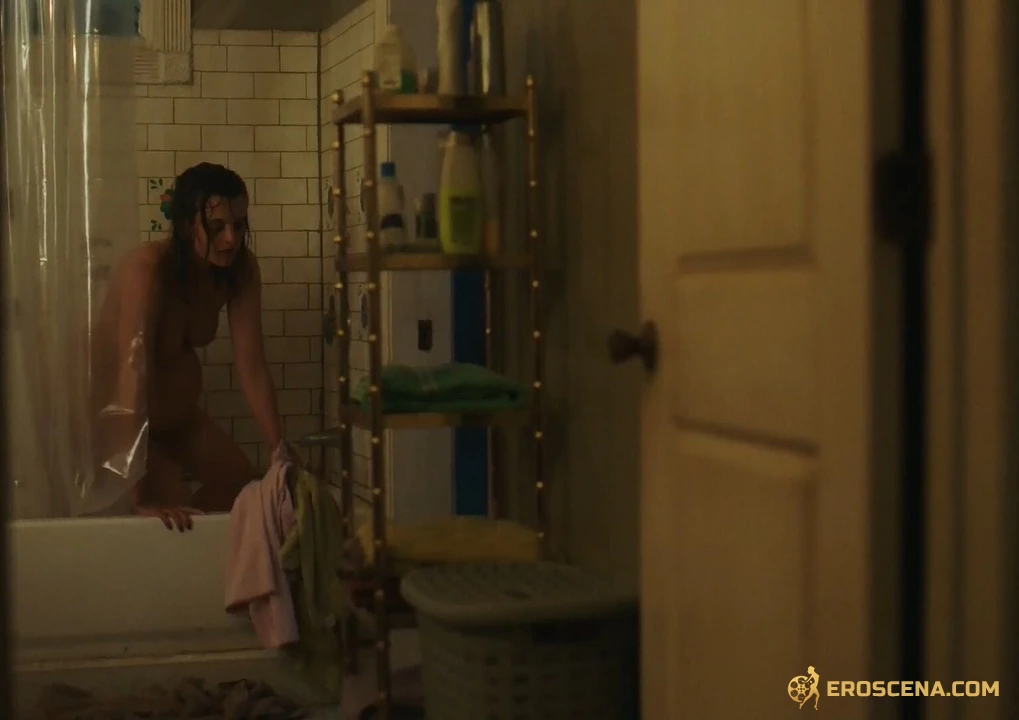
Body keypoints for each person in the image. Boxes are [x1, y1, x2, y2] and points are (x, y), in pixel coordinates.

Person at [90, 163, 289, 532]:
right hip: (117, 419)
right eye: (216, 227)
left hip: (176, 420)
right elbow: (132, 378)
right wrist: (139, 494)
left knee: (240, 485)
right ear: (185, 225)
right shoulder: (147, 271)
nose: (230, 239)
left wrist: (280, 451)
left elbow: (252, 367)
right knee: (173, 505)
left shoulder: (240, 271)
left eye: (239, 225)